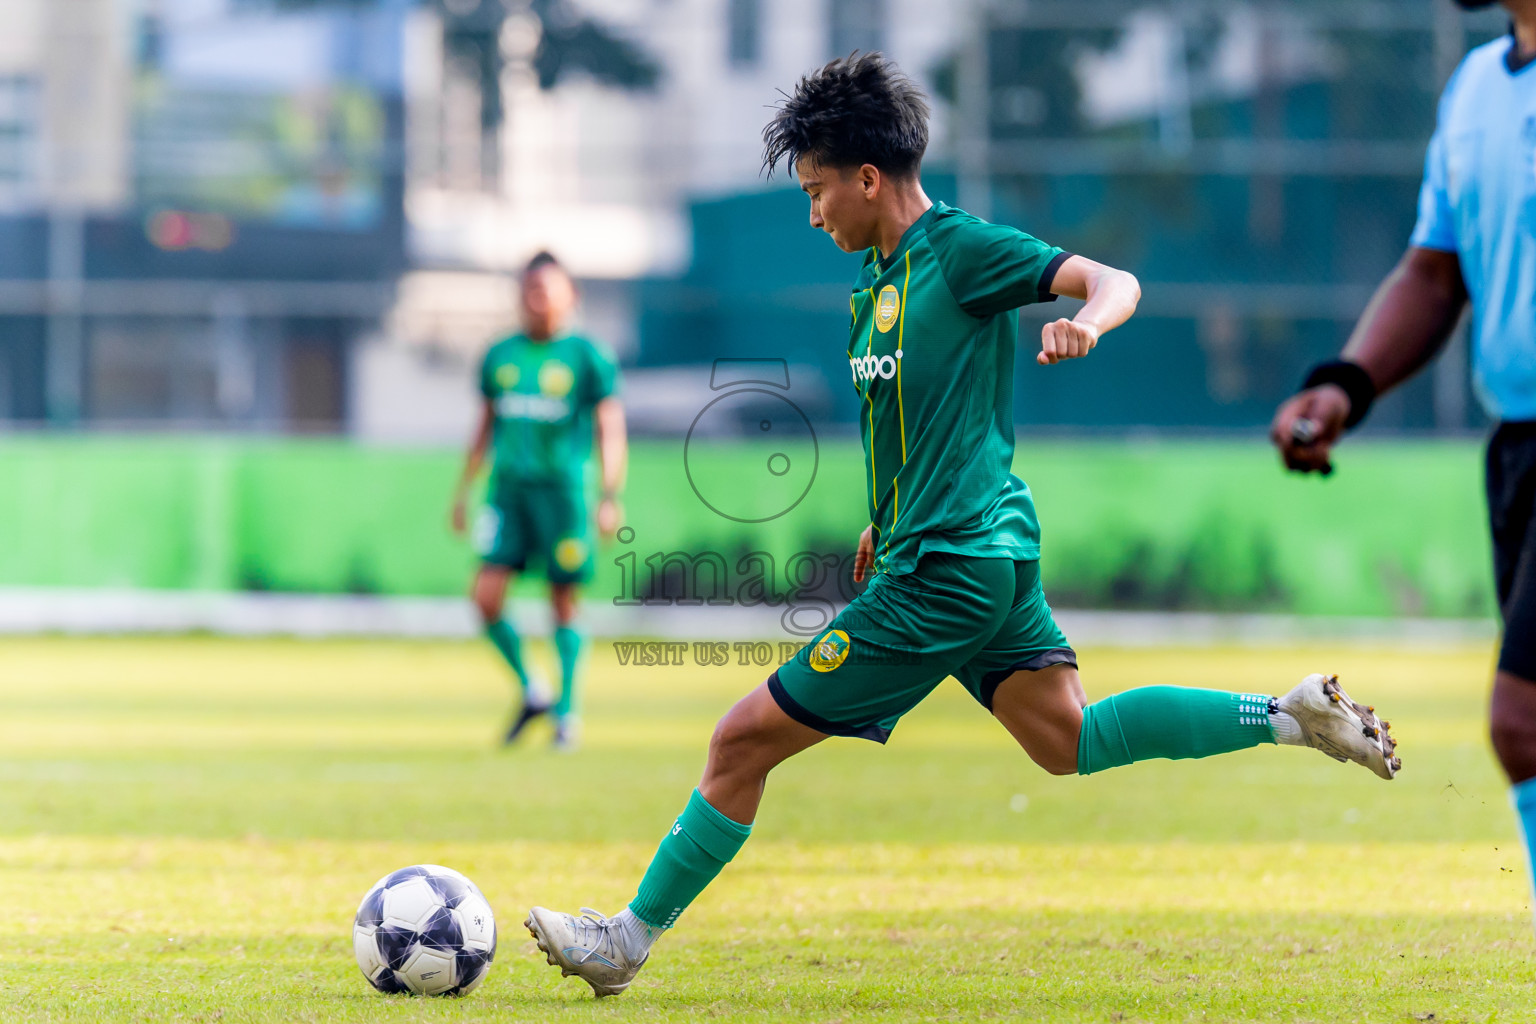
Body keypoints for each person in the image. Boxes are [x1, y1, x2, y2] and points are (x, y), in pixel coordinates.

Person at [525, 53, 1398, 997]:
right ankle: (1285, 717)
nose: (812, 214)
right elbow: (917, 423)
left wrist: (1088, 324)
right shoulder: (874, 283)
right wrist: (881, 516)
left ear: (868, 178)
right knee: (1067, 742)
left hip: (948, 569)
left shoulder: (961, 250)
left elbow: (1116, 280)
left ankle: (625, 941)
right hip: (972, 554)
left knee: (739, 742)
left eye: (818, 191)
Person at [1271, 0, 1536, 933]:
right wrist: (1346, 385)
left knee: (1524, 721)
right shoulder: (1474, 89)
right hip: (1520, 450)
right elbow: (1436, 273)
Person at [450, 251, 626, 751]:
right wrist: (463, 490)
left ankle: (567, 714)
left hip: (564, 494)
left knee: (562, 600)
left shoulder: (588, 356)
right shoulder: (500, 355)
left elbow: (610, 428)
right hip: (507, 492)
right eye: (529, 291)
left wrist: (610, 494)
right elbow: (485, 425)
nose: (537, 300)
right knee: (485, 598)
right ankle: (533, 689)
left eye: (547, 290)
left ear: (570, 294)